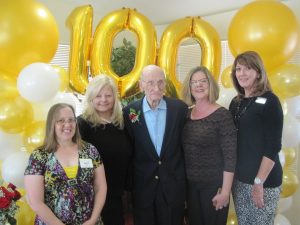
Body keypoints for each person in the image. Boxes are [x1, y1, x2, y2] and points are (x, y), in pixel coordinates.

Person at [123, 65, 188, 225]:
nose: (156, 88)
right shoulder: (129, 112)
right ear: (141, 85)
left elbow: (185, 146)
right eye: (150, 83)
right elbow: (129, 150)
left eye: (160, 82)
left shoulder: (179, 109)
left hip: (173, 186)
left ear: (165, 84)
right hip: (143, 187)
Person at [24, 103, 107, 225]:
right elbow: (35, 201)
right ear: (52, 124)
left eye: (71, 120)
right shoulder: (39, 156)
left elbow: (101, 187)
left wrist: (93, 219)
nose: (67, 125)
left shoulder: (90, 150)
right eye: (61, 121)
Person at [229, 51, 283, 225]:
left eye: (248, 68)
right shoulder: (236, 102)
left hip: (263, 182)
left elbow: (273, 146)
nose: (242, 73)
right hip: (239, 180)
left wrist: (259, 182)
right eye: (238, 69)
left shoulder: (270, 101)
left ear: (258, 72)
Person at [181, 66, 236, 225]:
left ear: (210, 84)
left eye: (203, 81)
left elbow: (230, 157)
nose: (198, 85)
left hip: (214, 187)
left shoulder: (222, 115)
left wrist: (225, 192)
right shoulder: (186, 114)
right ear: (189, 87)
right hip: (191, 187)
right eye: (194, 82)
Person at [77, 75, 133, 225]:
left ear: (115, 98)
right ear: (91, 98)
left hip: (117, 194)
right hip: (92, 195)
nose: (104, 100)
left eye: (108, 95)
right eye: (98, 96)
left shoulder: (122, 123)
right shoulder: (82, 124)